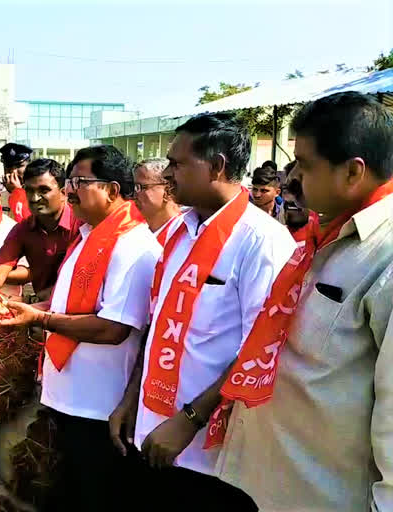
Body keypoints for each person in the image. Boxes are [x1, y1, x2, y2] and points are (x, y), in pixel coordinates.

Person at [215, 92, 393, 511]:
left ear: (353, 172)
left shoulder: (383, 257)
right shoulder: (320, 234)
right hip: (270, 479)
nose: (291, 176)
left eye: (305, 165)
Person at [110, 113, 297, 509]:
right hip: (153, 430)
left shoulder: (261, 241)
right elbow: (160, 324)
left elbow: (259, 351)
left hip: (205, 454)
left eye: (177, 164)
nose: (168, 175)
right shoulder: (179, 231)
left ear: (216, 166)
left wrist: (188, 421)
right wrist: (131, 399)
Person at [0, 145, 162, 512]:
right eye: (69, 181)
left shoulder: (134, 246)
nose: (69, 191)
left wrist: (40, 319)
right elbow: (67, 305)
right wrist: (26, 310)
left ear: (113, 190)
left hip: (99, 408)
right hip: (70, 400)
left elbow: (114, 328)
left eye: (80, 182)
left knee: (96, 497)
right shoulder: (89, 235)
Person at [0, 158, 80, 302]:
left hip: (81, 310)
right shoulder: (22, 230)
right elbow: (0, 268)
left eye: (44, 190)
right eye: (29, 190)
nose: (34, 198)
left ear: (64, 193)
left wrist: (50, 295)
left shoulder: (82, 225)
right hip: (41, 310)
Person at [132, 157, 182, 242]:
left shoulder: (182, 236)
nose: (134, 194)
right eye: (135, 187)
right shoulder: (136, 233)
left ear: (168, 191)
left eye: (140, 187)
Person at [0, 142, 33, 221]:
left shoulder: (36, 194)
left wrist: (16, 192)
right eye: (8, 166)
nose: (13, 171)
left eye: (19, 166)